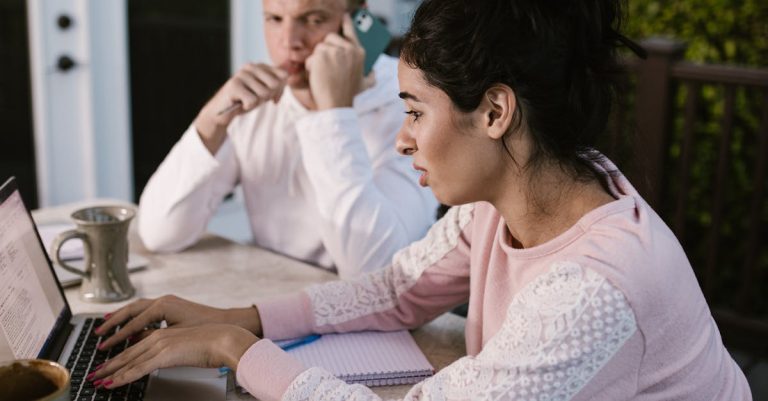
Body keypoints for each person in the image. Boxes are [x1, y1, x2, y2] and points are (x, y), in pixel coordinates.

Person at [89, 0, 752, 399]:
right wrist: (235, 313)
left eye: (415, 112)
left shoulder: (594, 290)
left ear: (495, 111)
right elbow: (396, 289)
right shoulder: (514, 197)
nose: (404, 140)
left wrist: (237, 347)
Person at [136, 0, 438, 278]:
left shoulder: (410, 107)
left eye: (313, 19)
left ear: (359, 20)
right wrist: (209, 122)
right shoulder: (258, 102)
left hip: (372, 320)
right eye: (275, 18)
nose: (289, 41)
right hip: (275, 297)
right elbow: (159, 233)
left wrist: (333, 111)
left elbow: (374, 273)